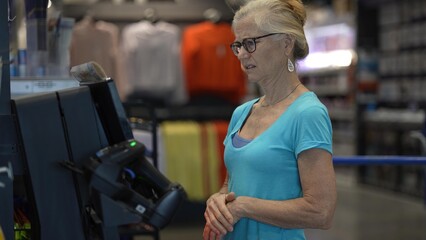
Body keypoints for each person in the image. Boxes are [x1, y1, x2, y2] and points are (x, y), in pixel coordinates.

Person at [203, 0, 337, 239]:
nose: (242, 54)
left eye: (251, 43)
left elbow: (321, 211)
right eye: (238, 45)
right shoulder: (242, 113)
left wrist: (244, 207)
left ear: (286, 44)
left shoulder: (307, 113)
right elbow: (232, 184)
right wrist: (219, 200)